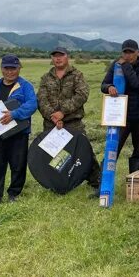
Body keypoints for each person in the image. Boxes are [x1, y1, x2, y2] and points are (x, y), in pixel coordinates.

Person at [36, 46, 101, 191]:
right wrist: (53, 116)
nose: (58, 58)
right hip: (51, 123)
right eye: (55, 56)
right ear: (52, 59)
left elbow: (82, 95)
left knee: (83, 151)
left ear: (67, 57)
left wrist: (62, 112)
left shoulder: (77, 75)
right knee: (54, 154)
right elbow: (41, 99)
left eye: (61, 55)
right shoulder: (46, 78)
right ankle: (59, 182)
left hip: (73, 122)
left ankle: (96, 180)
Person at [0, 54, 37, 204]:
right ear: (1, 68)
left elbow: (32, 105)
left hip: (18, 133)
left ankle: (14, 194)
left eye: (13, 68)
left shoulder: (26, 86)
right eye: (6, 68)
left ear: (19, 68)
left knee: (18, 165)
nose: (10, 72)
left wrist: (14, 114)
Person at [101, 39, 139, 173]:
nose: (128, 56)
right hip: (120, 117)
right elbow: (103, 84)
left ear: (138, 52)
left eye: (131, 52)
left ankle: (134, 180)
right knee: (113, 149)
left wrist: (126, 66)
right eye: (125, 52)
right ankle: (102, 183)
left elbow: (136, 84)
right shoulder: (116, 65)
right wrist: (109, 87)